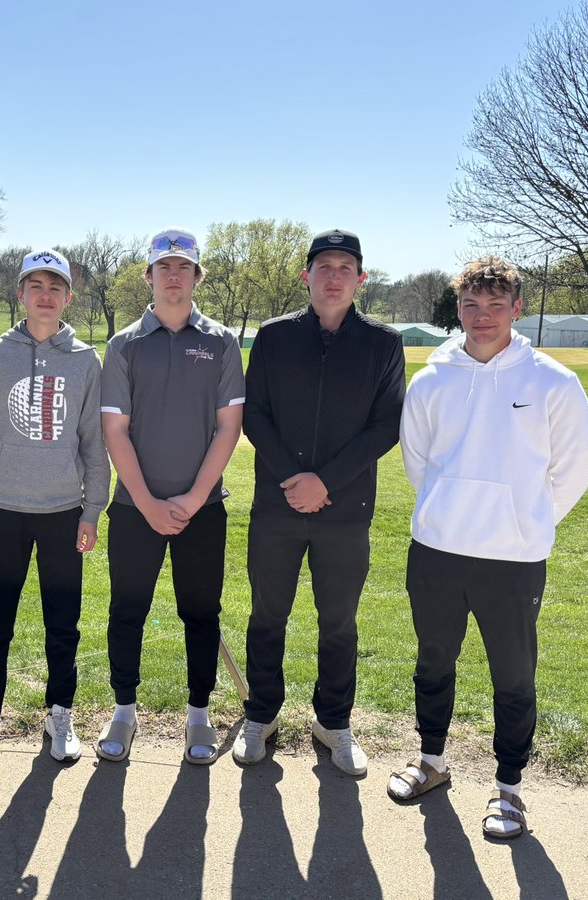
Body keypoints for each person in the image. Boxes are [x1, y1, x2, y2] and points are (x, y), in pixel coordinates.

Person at [388, 256, 588, 839]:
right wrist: (447, 508)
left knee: (513, 676)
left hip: (513, 559)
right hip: (436, 549)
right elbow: (418, 461)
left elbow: (573, 469)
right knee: (433, 662)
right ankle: (431, 762)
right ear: (459, 309)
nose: (482, 317)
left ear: (517, 310)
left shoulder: (553, 381)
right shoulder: (432, 378)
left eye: (495, 306)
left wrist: (525, 521)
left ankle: (509, 789)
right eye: (472, 306)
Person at [233, 229, 406, 770]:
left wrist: (325, 482)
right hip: (276, 508)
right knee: (267, 616)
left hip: (345, 511)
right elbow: (254, 413)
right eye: (323, 266)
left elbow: (386, 427)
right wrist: (293, 478)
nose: (333, 276)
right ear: (306, 275)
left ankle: (332, 721)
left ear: (360, 278)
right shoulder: (275, 336)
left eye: (344, 267)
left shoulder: (382, 343)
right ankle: (261, 714)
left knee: (339, 622)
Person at [97, 228, 245, 765]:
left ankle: (199, 717)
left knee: (201, 612)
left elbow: (228, 427)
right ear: (149, 276)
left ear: (197, 276)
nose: (174, 275)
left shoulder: (223, 341)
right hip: (135, 509)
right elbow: (116, 432)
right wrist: (151, 504)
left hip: (202, 510)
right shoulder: (124, 345)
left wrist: (191, 498)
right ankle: (123, 711)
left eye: (184, 267)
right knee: (127, 611)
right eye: (164, 267)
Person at [0, 249, 110, 770]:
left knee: (62, 623)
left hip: (64, 512)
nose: (46, 296)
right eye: (35, 286)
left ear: (69, 297)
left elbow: (95, 443)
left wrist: (92, 510)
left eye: (56, 287)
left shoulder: (86, 360)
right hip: (2, 510)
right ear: (20, 294)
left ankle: (59, 713)